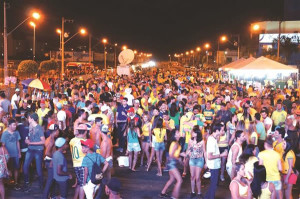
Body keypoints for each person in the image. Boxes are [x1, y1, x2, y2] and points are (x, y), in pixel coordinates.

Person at [23, 113, 45, 192]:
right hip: (30, 149)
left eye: (29, 118)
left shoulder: (39, 128)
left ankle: (41, 184)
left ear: (32, 119)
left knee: (39, 169)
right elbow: (29, 136)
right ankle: (26, 182)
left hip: (38, 150)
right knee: (25, 166)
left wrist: (31, 143)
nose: (28, 119)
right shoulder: (30, 126)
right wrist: (27, 139)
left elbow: (43, 141)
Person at [205, 122, 228, 199]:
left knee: (213, 185)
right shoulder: (211, 140)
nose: (223, 132)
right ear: (217, 131)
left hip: (215, 165)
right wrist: (221, 155)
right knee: (213, 186)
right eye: (222, 130)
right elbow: (210, 156)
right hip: (213, 166)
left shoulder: (213, 138)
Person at [160, 130, 182, 199]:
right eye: (177, 132)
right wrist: (179, 159)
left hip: (172, 163)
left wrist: (186, 155)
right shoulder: (174, 143)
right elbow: (171, 154)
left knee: (172, 179)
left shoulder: (176, 142)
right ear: (175, 135)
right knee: (180, 180)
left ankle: (163, 192)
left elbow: (177, 153)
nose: (179, 133)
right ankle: (174, 196)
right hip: (172, 163)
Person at [0, 118, 21, 190]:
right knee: (8, 169)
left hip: (15, 154)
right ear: (9, 125)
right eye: (14, 125)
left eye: (15, 125)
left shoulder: (17, 132)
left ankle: (16, 183)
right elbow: (3, 145)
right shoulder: (5, 133)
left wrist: (19, 152)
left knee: (16, 168)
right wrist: (3, 156)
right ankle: (8, 183)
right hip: (7, 156)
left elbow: (18, 142)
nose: (15, 126)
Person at [69, 124, 88, 199]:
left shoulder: (72, 140)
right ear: (85, 132)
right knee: (83, 185)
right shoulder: (85, 142)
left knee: (79, 183)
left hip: (75, 164)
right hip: (82, 165)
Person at [187, 125, 205, 198]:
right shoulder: (190, 140)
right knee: (192, 176)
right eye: (192, 132)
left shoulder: (202, 141)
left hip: (199, 160)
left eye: (193, 132)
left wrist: (206, 161)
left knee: (197, 177)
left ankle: (199, 192)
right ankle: (193, 191)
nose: (192, 133)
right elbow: (188, 149)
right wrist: (188, 153)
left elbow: (204, 151)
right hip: (192, 159)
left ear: (197, 133)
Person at [43, 124, 59, 199]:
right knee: (50, 180)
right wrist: (54, 157)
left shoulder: (49, 138)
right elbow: (47, 153)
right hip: (50, 162)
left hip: (49, 162)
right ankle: (45, 197)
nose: (58, 132)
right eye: (58, 131)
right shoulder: (51, 141)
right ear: (55, 131)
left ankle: (52, 196)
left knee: (53, 179)